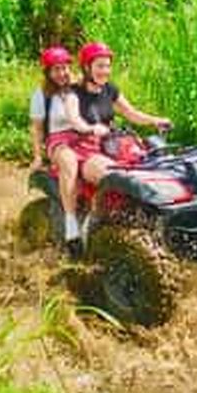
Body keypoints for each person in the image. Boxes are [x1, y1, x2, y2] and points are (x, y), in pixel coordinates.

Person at [29, 46, 107, 251]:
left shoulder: (78, 87)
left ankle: (98, 213)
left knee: (108, 168)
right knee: (69, 162)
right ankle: (71, 223)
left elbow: (99, 102)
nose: (62, 73)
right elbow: (37, 128)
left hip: (84, 138)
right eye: (56, 69)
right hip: (58, 141)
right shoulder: (41, 96)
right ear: (48, 72)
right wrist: (37, 156)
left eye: (64, 68)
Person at [74, 41, 171, 184]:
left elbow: (131, 113)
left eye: (108, 66)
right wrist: (90, 130)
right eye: (100, 66)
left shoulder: (109, 89)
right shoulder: (73, 94)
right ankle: (101, 205)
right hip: (86, 149)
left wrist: (155, 120)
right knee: (115, 177)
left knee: (154, 157)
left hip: (111, 143)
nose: (106, 71)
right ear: (86, 68)